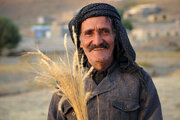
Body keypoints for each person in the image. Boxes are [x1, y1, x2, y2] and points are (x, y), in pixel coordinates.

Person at [48, 3, 163, 120]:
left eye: (104, 31)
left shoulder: (139, 80)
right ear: (80, 42)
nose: (97, 41)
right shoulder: (67, 85)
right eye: (89, 33)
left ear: (115, 36)